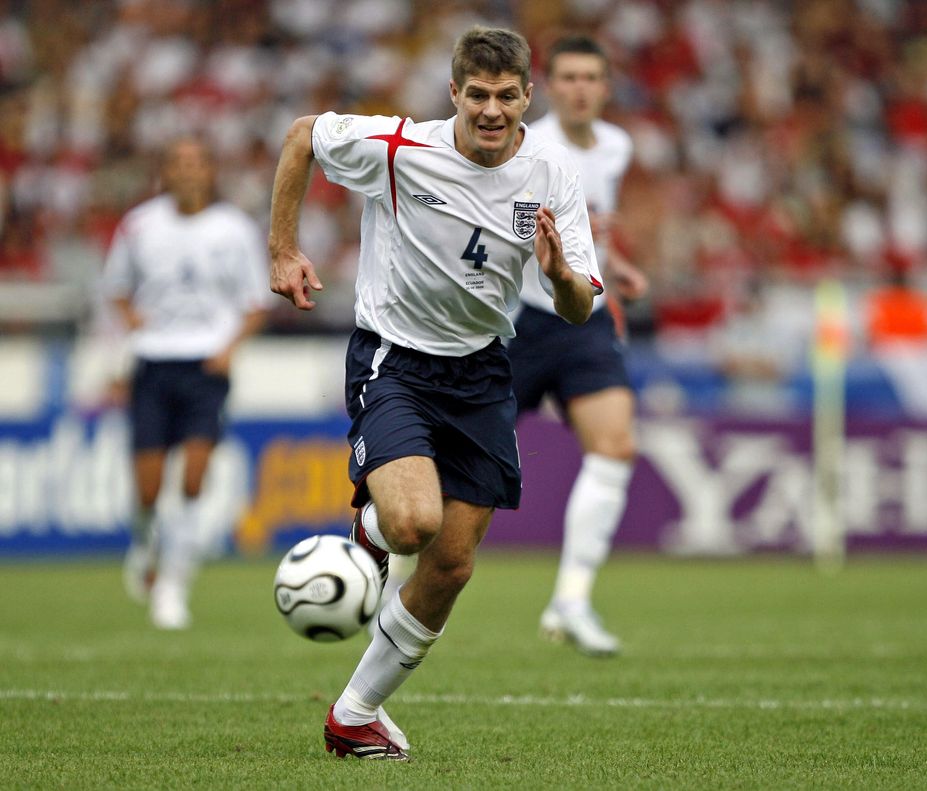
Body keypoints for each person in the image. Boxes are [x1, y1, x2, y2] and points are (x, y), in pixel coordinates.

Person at [267, 26, 603, 761]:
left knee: (452, 565)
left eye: (506, 95)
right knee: (414, 522)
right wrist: (284, 249)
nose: (491, 110)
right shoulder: (400, 148)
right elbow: (301, 137)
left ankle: (355, 715)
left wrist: (559, 278)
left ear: (528, 96)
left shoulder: (552, 175)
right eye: (477, 95)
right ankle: (374, 535)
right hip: (394, 361)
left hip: (482, 373)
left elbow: (580, 307)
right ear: (453, 93)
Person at [507, 35, 646, 657]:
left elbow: (593, 230)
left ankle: (571, 600)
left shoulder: (617, 146)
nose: (580, 88)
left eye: (591, 77)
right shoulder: (526, 146)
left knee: (615, 446)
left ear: (606, 86)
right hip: (518, 321)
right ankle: (395, 580)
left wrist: (616, 268)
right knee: (454, 466)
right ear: (548, 87)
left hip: (584, 317)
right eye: (568, 77)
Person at [102, 137, 269, 630]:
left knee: (194, 477)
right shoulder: (140, 225)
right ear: (166, 172)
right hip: (154, 364)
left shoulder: (234, 229)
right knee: (148, 488)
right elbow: (116, 288)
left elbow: (255, 302)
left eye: (197, 162)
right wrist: (135, 325)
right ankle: (143, 544)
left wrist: (229, 348)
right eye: (178, 162)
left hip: (206, 367)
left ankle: (174, 585)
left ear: (210, 171)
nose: (188, 171)